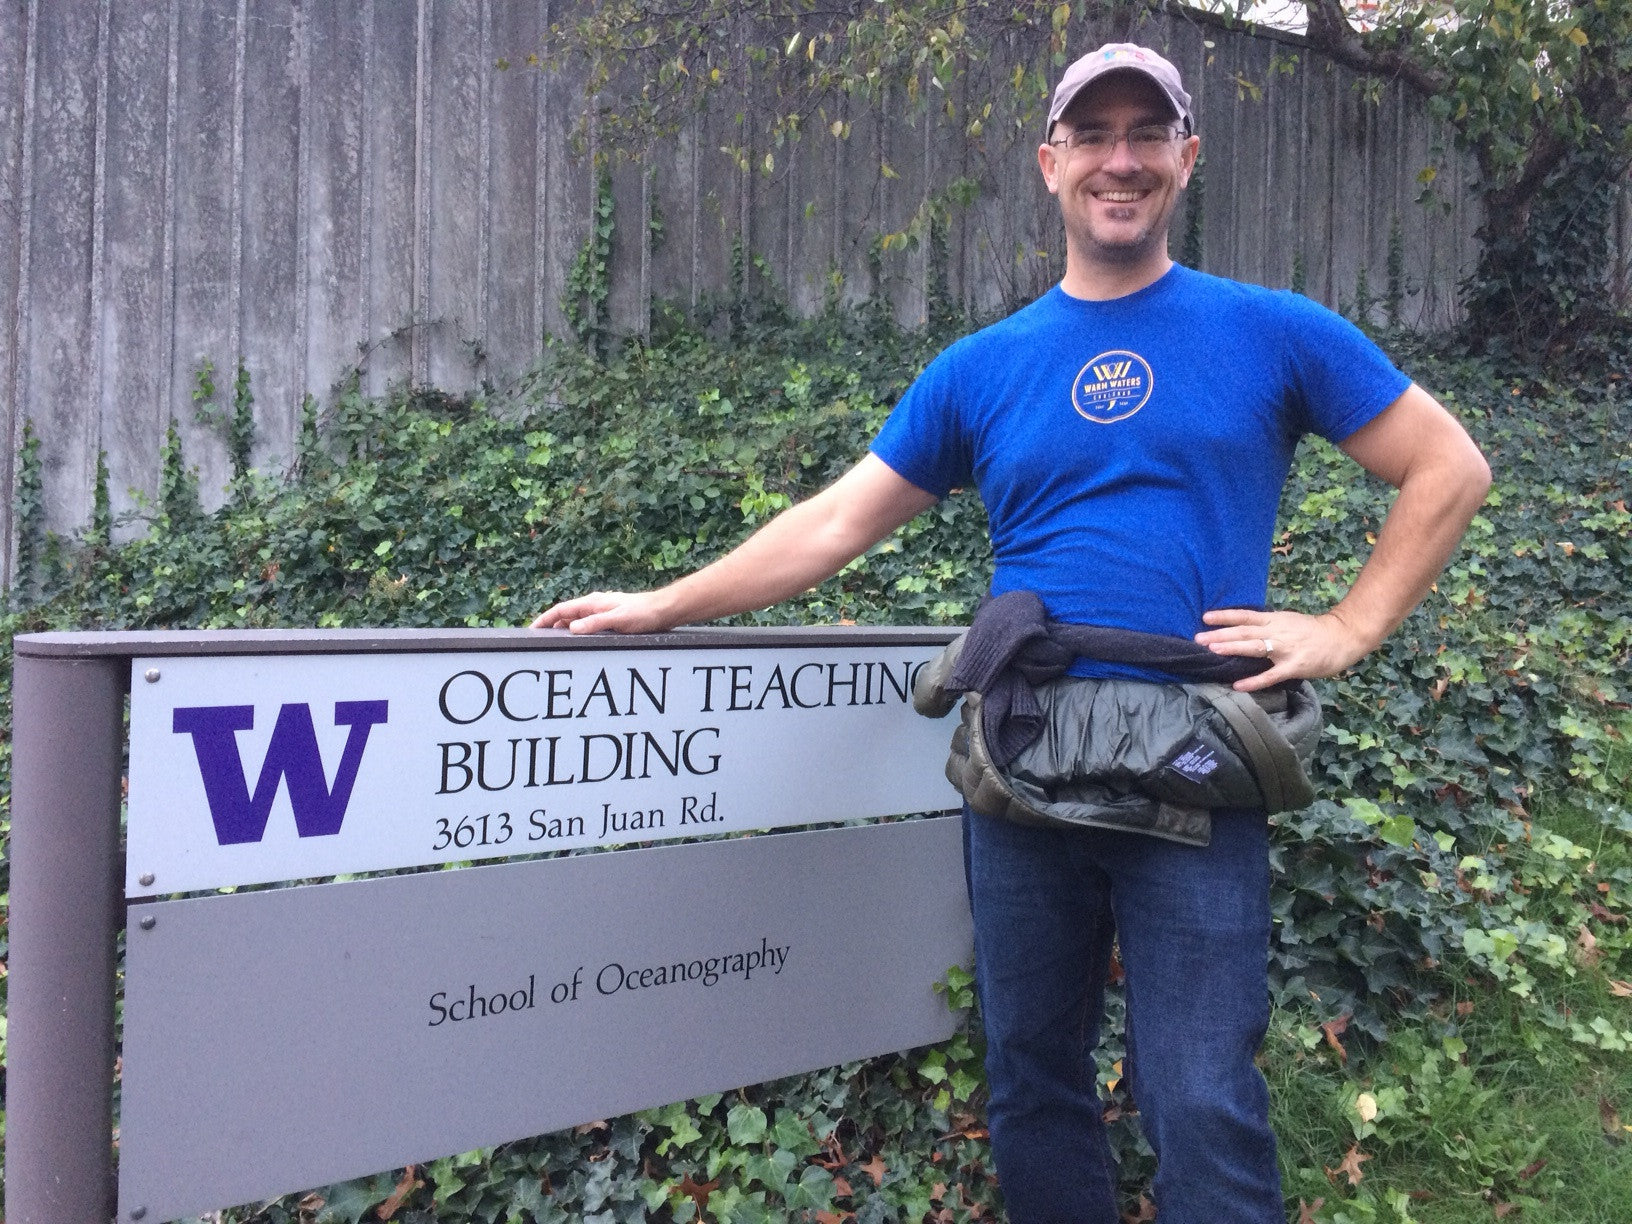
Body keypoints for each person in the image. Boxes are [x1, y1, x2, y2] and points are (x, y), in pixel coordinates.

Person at [533, 41, 1491, 1224]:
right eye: (1093, 136)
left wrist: (1352, 622)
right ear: (1051, 164)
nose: (1120, 160)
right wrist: (663, 602)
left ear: (1188, 158)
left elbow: (1446, 466)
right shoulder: (981, 368)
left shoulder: (1274, 332)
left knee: (1199, 1095)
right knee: (1033, 1079)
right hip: (1024, 760)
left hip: (1195, 760)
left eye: (1148, 133)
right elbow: (835, 522)